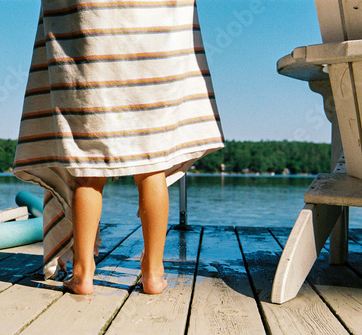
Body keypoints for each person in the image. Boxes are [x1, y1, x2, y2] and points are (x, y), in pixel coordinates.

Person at [13, 0, 224, 295]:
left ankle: (83, 274)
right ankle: (153, 272)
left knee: (87, 166)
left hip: (90, 27)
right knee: (153, 164)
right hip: (153, 35)